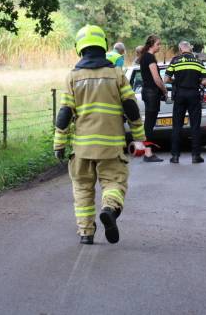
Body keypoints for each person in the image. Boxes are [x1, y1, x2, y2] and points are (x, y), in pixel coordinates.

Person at [53, 24, 146, 245]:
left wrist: (59, 144)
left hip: (82, 149)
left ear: (80, 48)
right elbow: (131, 107)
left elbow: (64, 113)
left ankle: (86, 233)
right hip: (111, 148)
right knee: (114, 183)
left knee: (83, 190)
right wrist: (140, 138)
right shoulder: (116, 74)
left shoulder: (73, 77)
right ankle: (109, 209)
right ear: (103, 46)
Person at [165, 41, 206, 164]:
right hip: (194, 94)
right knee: (195, 125)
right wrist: (197, 82)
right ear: (190, 49)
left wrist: (177, 81)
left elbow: (166, 79)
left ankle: (175, 156)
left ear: (180, 49)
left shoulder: (175, 61)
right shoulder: (198, 62)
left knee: (177, 126)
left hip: (179, 94)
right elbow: (205, 81)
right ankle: (196, 156)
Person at [138, 35, 166, 163]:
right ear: (151, 44)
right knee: (149, 124)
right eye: (158, 44)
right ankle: (148, 153)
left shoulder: (144, 57)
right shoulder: (149, 57)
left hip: (147, 92)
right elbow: (156, 78)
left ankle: (146, 151)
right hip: (151, 93)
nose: (159, 46)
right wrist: (165, 91)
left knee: (148, 123)